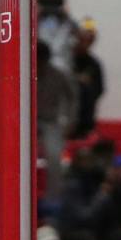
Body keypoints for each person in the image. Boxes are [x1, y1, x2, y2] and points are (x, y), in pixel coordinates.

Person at [37, 43, 77, 203]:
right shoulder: (23, 71)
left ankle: (53, 199)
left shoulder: (58, 75)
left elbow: (72, 96)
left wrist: (70, 119)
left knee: (54, 156)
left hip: (49, 121)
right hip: (24, 120)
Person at [72, 23, 106, 138]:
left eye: (89, 41)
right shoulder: (67, 60)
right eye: (82, 39)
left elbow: (100, 89)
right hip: (65, 116)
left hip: (85, 118)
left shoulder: (94, 65)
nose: (85, 43)